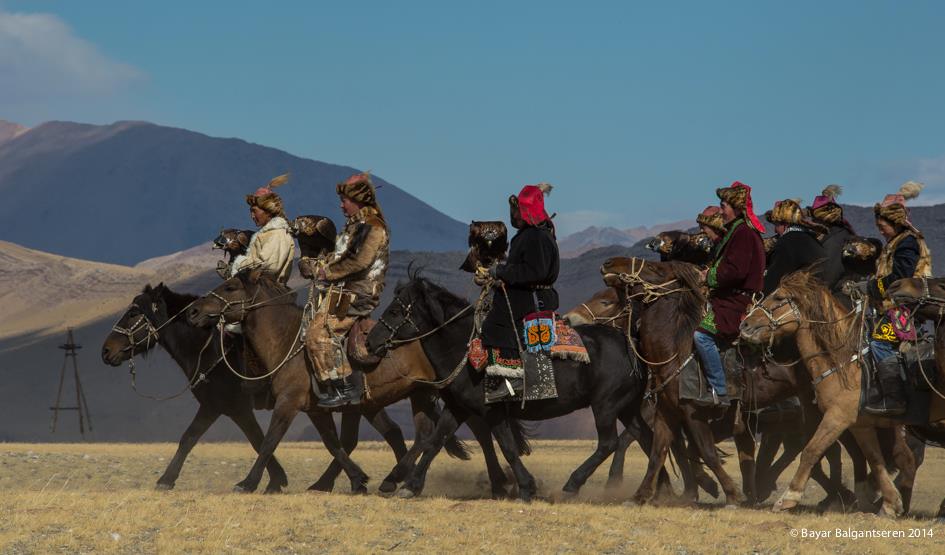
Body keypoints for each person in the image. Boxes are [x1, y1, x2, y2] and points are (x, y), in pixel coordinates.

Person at [302, 172, 389, 408]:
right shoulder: (355, 226)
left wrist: (325, 273)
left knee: (318, 334)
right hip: (343, 291)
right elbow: (339, 257)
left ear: (358, 201)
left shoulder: (372, 227)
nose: (341, 206)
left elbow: (358, 261)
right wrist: (316, 264)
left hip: (359, 293)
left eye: (345, 201)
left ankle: (346, 387)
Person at [693, 182, 766, 407]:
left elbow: (735, 271)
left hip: (735, 301)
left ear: (734, 207)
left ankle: (719, 389)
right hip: (727, 297)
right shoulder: (737, 231)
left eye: (723, 206)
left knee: (701, 336)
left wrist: (709, 276)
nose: (721, 211)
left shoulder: (742, 233)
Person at [478, 183, 559, 384]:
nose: (513, 217)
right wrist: (495, 277)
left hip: (532, 298)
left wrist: (501, 271)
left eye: (517, 212)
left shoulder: (535, 236)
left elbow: (534, 271)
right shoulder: (537, 233)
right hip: (527, 293)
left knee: (494, 324)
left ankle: (511, 377)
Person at [863, 181, 932, 416]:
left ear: (894, 223)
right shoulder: (895, 242)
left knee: (879, 343)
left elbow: (901, 276)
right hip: (891, 306)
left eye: (882, 226)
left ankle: (895, 398)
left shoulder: (908, 243)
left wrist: (871, 287)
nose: (880, 230)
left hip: (906, 308)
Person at [233, 173, 295, 283]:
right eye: (250, 212)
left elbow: (269, 266)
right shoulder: (268, 234)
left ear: (268, 211)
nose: (252, 216)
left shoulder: (278, 234)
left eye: (255, 211)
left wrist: (240, 264)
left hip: (268, 294)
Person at [762, 198, 827, 296]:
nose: (775, 230)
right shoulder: (812, 239)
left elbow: (772, 282)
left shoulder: (787, 243)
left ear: (786, 224)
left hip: (804, 302)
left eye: (776, 225)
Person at [809, 185, 857, 291]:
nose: (812, 223)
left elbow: (828, 277)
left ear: (824, 220)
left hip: (837, 297)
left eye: (815, 219)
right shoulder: (833, 235)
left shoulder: (836, 240)